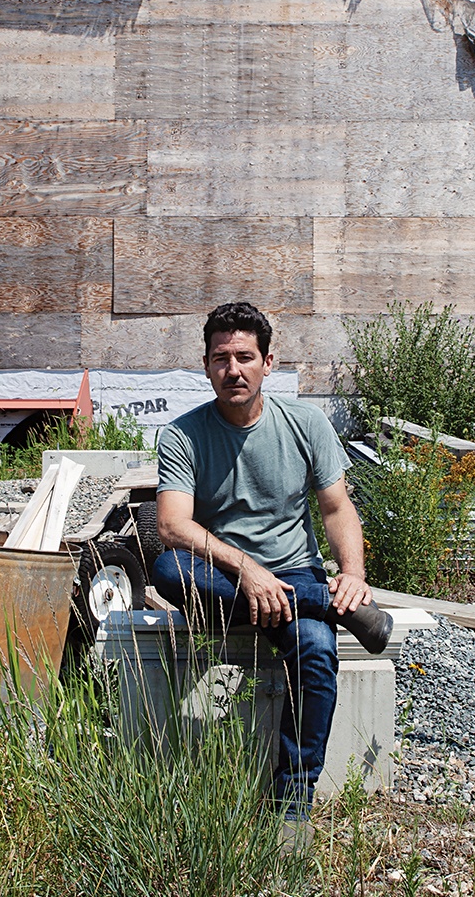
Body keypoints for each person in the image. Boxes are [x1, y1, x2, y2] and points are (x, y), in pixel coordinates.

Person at [152, 301, 392, 819]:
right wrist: (247, 568)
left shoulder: (306, 423)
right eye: (220, 358)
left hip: (293, 569)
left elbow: (336, 506)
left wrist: (352, 574)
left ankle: (291, 804)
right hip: (225, 577)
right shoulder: (182, 434)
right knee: (168, 569)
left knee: (315, 651)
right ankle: (326, 604)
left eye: (244, 356)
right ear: (206, 363)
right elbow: (172, 525)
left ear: (268, 361)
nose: (232, 370)